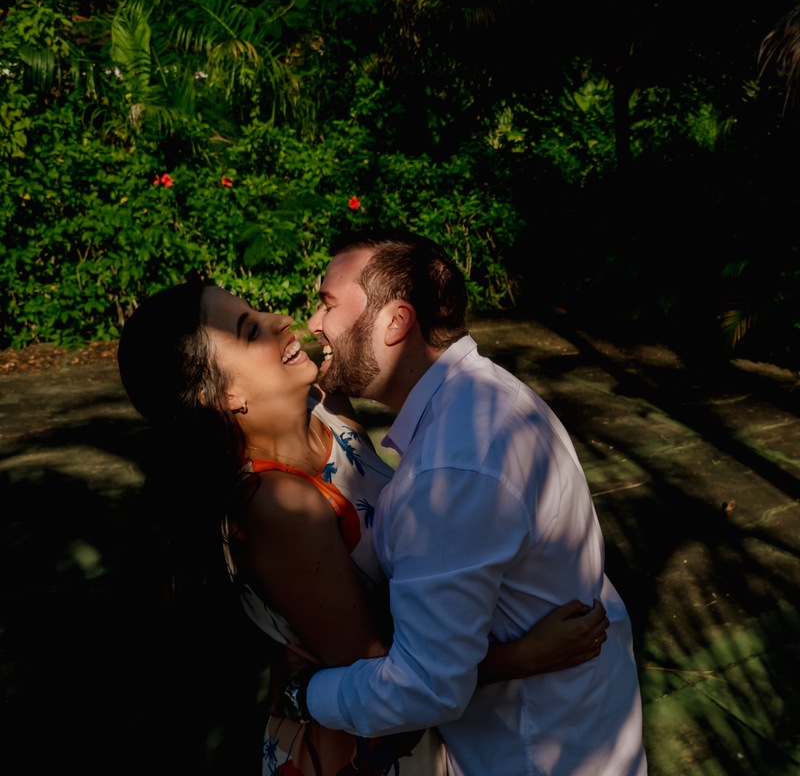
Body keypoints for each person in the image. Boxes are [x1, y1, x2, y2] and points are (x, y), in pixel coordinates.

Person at [117, 279, 611, 776]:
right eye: (250, 331)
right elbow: (380, 670)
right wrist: (524, 656)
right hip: (358, 746)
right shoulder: (276, 503)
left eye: (258, 312)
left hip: (422, 714)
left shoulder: (327, 408)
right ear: (224, 394)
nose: (281, 320)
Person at [280, 229, 647, 776]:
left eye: (328, 304)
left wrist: (303, 693)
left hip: (531, 751)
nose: (313, 321)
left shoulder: (452, 468)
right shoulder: (486, 395)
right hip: (577, 722)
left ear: (395, 322)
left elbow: (424, 687)